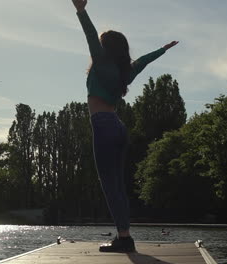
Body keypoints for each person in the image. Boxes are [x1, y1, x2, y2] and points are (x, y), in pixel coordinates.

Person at [71, 0, 178, 252]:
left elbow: (89, 35)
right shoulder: (124, 73)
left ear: (105, 48)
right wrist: (162, 50)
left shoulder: (100, 62)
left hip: (104, 127)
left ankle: (124, 239)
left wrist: (81, 10)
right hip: (118, 128)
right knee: (117, 184)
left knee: (110, 186)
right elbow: (142, 61)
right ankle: (124, 236)